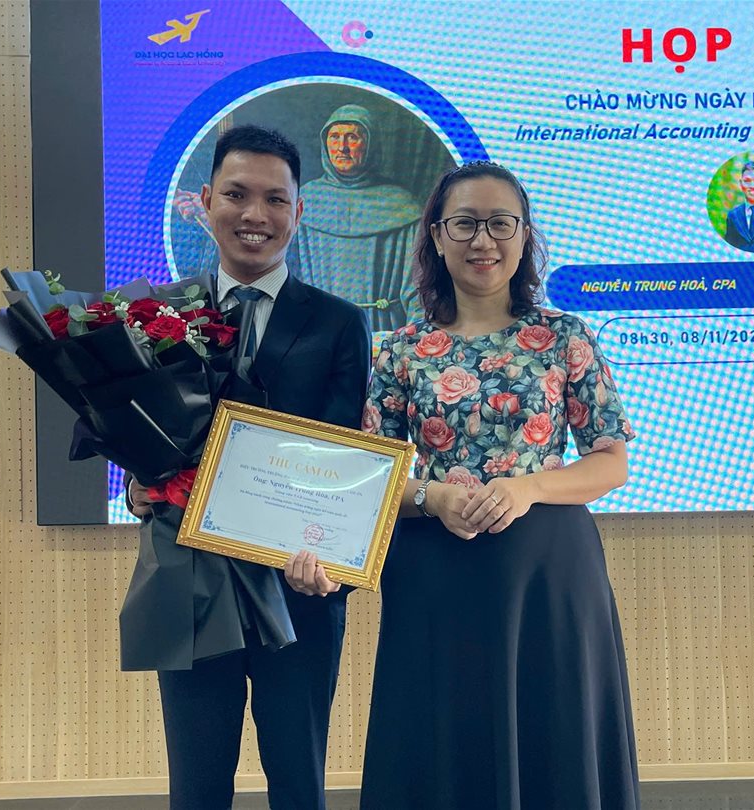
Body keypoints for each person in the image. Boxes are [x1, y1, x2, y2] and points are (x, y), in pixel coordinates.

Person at [357, 161, 641, 809]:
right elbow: (371, 473)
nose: (482, 240)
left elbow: (611, 462)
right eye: (464, 224)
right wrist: (433, 496)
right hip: (435, 572)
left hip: (549, 574)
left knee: (554, 739)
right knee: (440, 741)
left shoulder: (564, 336)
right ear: (435, 236)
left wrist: (529, 488)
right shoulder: (399, 350)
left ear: (524, 235)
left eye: (500, 223)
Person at [128, 125, 371, 810]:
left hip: (298, 580)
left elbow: (343, 451)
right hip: (190, 576)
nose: (254, 215)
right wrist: (140, 483)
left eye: (274, 199)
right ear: (206, 201)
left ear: (299, 211)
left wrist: (330, 553)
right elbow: (142, 434)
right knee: (196, 783)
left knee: (298, 780)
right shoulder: (156, 316)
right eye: (236, 195)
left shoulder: (338, 323)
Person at [293, 103, 423, 330]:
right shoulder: (306, 201)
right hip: (318, 329)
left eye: (352, 137)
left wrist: (410, 338)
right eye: (334, 137)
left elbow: (418, 288)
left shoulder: (401, 206)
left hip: (381, 331)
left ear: (371, 144)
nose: (342, 148)